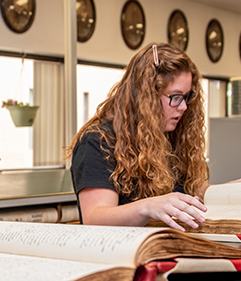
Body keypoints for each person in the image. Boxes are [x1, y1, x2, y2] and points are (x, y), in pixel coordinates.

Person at [67, 42, 208, 231]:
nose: (183, 107)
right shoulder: (98, 141)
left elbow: (188, 193)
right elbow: (95, 217)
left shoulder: (169, 135)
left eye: (186, 97)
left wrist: (233, 191)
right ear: (146, 97)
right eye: (175, 97)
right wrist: (148, 207)